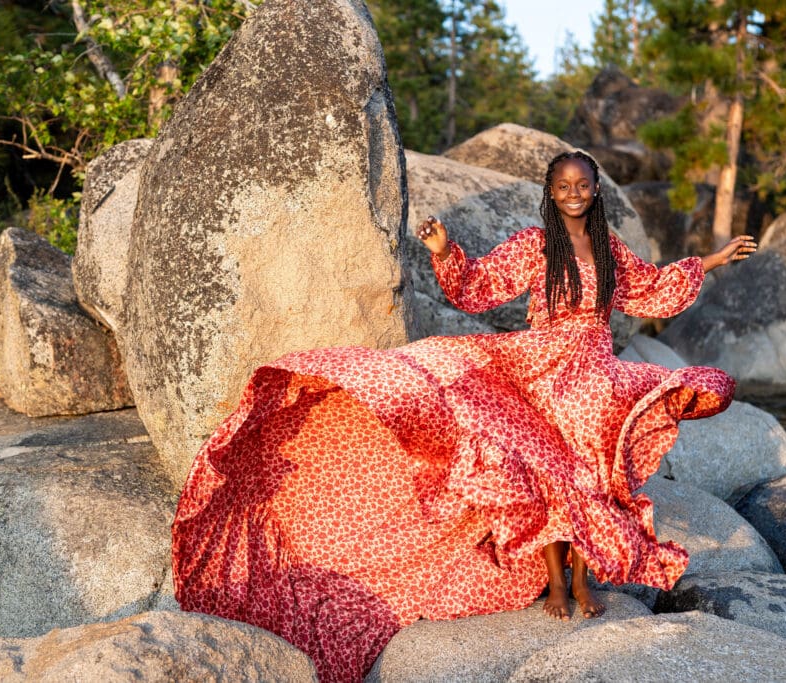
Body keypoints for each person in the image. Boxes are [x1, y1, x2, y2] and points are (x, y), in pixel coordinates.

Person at [171, 151, 756, 682]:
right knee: (545, 465)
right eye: (563, 186)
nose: (574, 193)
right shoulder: (535, 245)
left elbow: (650, 288)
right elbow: (481, 285)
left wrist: (714, 259)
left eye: (583, 185)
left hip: (597, 367)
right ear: (551, 192)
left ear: (596, 190)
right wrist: (445, 251)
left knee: (591, 464)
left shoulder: (609, 249)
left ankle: (583, 578)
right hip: (542, 363)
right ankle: (558, 580)